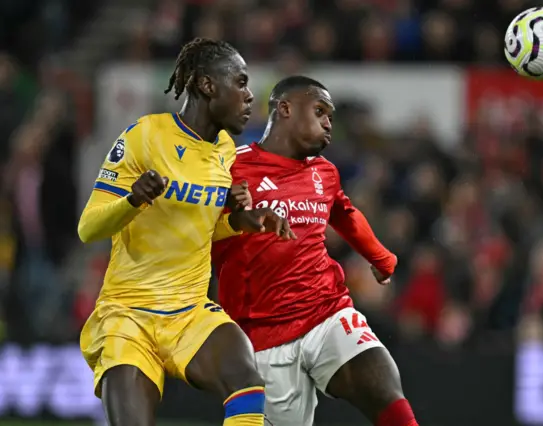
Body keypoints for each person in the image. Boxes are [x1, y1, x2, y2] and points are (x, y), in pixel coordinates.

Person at [77, 38, 295, 426]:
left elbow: (198, 230)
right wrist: (132, 200)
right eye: (240, 83)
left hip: (189, 312)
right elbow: (87, 229)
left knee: (247, 383)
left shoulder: (226, 149)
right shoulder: (144, 136)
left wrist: (239, 223)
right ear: (208, 86)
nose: (250, 97)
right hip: (129, 315)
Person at [211, 76, 419, 426]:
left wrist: (380, 257)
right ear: (286, 109)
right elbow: (199, 235)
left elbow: (345, 213)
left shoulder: (325, 172)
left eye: (331, 117)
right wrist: (234, 215)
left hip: (326, 310)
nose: (328, 123)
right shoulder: (230, 167)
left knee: (382, 386)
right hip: (261, 332)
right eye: (320, 111)